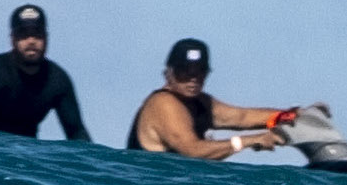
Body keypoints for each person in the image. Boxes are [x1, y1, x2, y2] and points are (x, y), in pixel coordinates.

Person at [125, 37, 301, 159]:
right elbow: (192, 151)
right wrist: (250, 141)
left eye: (200, 72)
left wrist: (294, 116)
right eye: (184, 72)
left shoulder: (201, 102)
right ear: (168, 74)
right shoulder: (163, 103)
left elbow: (242, 118)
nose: (193, 79)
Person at [0, 2, 91, 139]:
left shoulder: (57, 80)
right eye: (24, 35)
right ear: (13, 40)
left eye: (37, 35)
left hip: (29, 153)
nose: (31, 41)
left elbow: (77, 132)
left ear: (46, 39)